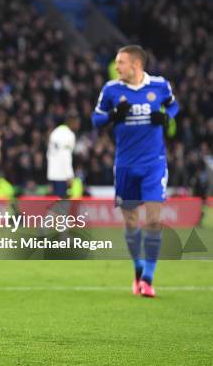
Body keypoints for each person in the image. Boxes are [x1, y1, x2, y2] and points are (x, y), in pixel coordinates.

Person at [92, 45, 179, 298]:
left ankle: (149, 279)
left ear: (136, 65)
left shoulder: (160, 86)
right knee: (131, 222)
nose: (116, 67)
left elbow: (174, 107)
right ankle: (138, 270)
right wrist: (113, 114)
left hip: (154, 164)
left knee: (153, 219)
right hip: (126, 166)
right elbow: (96, 120)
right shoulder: (111, 89)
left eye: (120, 62)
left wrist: (165, 116)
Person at [47, 112, 80, 198]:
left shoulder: (55, 132)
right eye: (77, 122)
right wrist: (69, 175)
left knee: (57, 201)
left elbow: (49, 154)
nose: (78, 124)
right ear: (72, 121)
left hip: (52, 173)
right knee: (62, 204)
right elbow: (65, 156)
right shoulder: (69, 135)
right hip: (62, 175)